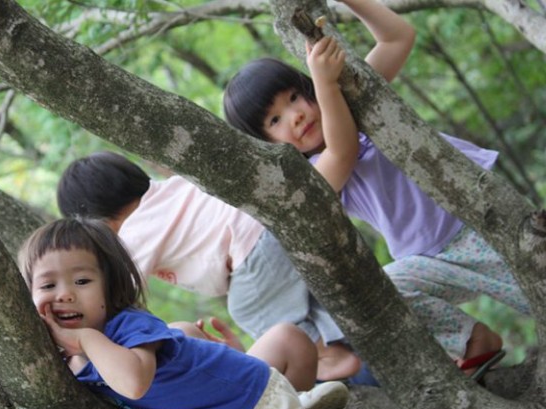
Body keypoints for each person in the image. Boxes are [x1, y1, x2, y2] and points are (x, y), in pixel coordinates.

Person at [222, 0, 529, 375]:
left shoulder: (355, 102)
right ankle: (474, 341)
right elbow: (343, 151)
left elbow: (398, 38)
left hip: (480, 219)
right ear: (268, 144)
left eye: (293, 98)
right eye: (275, 119)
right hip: (430, 258)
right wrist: (324, 83)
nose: (295, 115)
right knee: (384, 292)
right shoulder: (312, 179)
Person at [0, 217, 347, 409]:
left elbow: (134, 382)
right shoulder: (58, 361)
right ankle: (302, 403)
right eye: (47, 286)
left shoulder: (129, 327)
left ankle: (295, 403)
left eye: (81, 282)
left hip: (256, 402)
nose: (65, 295)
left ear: (111, 286)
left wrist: (84, 338)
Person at [57, 151, 371, 384]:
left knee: (248, 308)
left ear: (97, 223)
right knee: (307, 303)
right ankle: (344, 341)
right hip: (274, 229)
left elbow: (120, 289)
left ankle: (327, 358)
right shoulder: (171, 188)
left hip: (251, 253)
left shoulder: (132, 233)